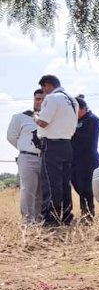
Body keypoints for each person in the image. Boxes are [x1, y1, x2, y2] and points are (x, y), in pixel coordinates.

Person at [34, 74, 78, 227]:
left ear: (47, 85)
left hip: (51, 145)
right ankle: (66, 216)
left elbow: (43, 122)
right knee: (65, 183)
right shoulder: (72, 100)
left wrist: (35, 117)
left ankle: (50, 218)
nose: (44, 93)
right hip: (67, 144)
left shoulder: (52, 98)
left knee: (51, 183)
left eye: (43, 89)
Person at [6, 89, 45, 225]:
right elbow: (11, 136)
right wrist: (25, 148)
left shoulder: (49, 119)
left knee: (41, 190)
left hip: (45, 158)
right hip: (27, 157)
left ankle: (39, 218)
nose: (40, 102)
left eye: (43, 99)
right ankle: (27, 220)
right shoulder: (21, 117)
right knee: (28, 189)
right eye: (37, 99)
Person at [71, 95, 99, 220]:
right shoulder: (75, 121)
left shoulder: (92, 120)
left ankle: (88, 214)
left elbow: (86, 138)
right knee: (77, 186)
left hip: (87, 160)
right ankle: (85, 212)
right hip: (75, 160)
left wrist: (72, 133)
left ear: (83, 108)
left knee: (85, 188)